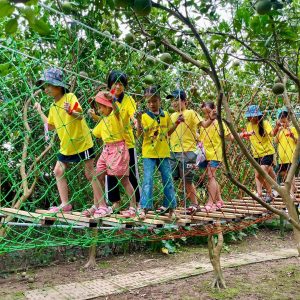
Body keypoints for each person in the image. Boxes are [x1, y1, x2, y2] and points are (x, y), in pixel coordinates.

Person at [34, 68, 102, 213]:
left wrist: (70, 111)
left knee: (90, 173)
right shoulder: (53, 107)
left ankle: (102, 206)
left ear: (58, 86)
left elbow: (80, 115)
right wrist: (40, 111)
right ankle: (65, 204)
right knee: (58, 170)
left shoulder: (70, 97)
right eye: (45, 86)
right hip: (66, 145)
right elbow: (50, 126)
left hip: (81, 142)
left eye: (48, 86)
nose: (46, 89)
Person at [136, 86, 184, 220]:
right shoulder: (144, 117)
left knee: (168, 179)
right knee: (148, 180)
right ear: (146, 102)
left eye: (155, 101)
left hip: (163, 153)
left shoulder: (166, 115)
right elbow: (139, 135)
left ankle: (171, 208)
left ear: (160, 100)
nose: (152, 104)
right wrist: (139, 121)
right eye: (149, 101)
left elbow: (168, 132)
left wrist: (177, 123)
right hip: (149, 154)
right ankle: (144, 208)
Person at [168, 90, 216, 213]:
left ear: (184, 101)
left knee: (187, 180)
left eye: (176, 99)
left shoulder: (190, 113)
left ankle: (195, 204)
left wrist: (211, 118)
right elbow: (167, 132)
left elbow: (204, 124)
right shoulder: (172, 116)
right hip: (173, 152)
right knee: (171, 179)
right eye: (172, 100)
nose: (174, 102)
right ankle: (171, 204)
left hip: (188, 151)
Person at [92, 91, 136, 218]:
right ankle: (101, 206)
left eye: (100, 107)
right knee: (95, 177)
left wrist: (112, 100)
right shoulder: (103, 120)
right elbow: (94, 132)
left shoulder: (116, 116)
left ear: (107, 106)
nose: (99, 110)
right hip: (106, 151)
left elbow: (116, 110)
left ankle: (133, 207)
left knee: (123, 179)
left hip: (118, 149)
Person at [105, 70, 140, 211]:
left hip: (126, 142)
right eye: (115, 83)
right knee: (110, 174)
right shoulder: (106, 98)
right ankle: (115, 203)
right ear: (110, 85)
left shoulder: (129, 100)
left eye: (120, 83)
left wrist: (136, 121)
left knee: (130, 172)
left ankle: (136, 203)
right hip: (111, 142)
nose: (118, 86)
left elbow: (132, 115)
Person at [198, 102, 233, 212]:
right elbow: (201, 138)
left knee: (210, 176)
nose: (207, 115)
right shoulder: (204, 124)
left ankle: (210, 203)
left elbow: (229, 137)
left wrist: (239, 136)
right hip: (204, 154)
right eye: (204, 113)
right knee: (211, 177)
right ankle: (219, 200)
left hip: (215, 153)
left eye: (208, 112)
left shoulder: (219, 123)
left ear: (214, 110)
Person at [240, 104, 276, 203]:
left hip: (267, 152)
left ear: (258, 116)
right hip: (256, 153)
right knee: (269, 173)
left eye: (253, 116)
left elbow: (272, 134)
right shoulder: (249, 125)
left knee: (260, 174)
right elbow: (250, 137)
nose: (251, 118)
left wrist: (276, 127)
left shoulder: (265, 123)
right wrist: (246, 136)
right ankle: (272, 188)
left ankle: (269, 193)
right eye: (249, 116)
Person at [274, 107, 298, 199]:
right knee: (283, 174)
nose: (284, 123)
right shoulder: (280, 131)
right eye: (282, 121)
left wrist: (292, 136)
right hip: (282, 157)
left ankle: (291, 194)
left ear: (289, 120)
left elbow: (297, 141)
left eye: (285, 121)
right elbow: (275, 141)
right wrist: (279, 130)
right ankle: (294, 187)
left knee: (289, 176)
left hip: (291, 156)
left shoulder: (293, 129)